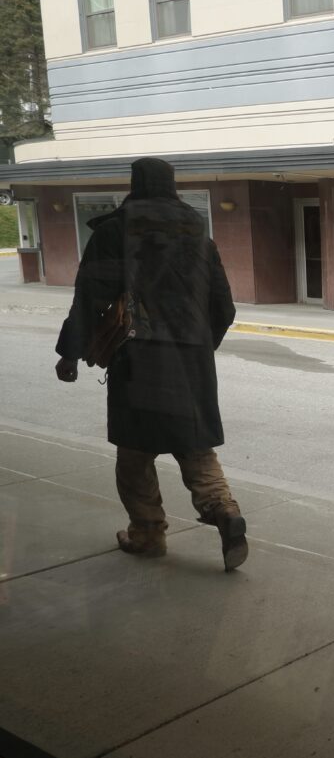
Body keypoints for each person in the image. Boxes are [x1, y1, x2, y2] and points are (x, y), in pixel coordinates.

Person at [54, 157, 247, 571]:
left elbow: (88, 300)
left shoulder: (114, 233)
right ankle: (226, 512)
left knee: (134, 453)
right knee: (195, 446)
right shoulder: (201, 239)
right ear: (173, 186)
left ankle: (148, 533)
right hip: (192, 362)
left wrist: (69, 352)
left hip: (138, 361)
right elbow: (225, 309)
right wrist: (197, 349)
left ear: (135, 184)